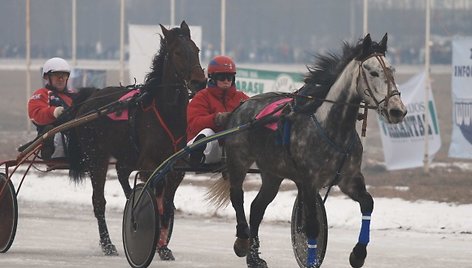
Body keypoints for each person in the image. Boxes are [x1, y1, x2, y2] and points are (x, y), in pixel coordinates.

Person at [186, 55, 249, 165]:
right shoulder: (201, 97)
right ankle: (197, 158)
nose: (226, 81)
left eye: (229, 77)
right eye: (222, 77)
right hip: (210, 150)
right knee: (207, 133)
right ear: (213, 78)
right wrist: (216, 119)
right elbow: (194, 124)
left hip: (232, 150)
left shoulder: (242, 98)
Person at [28, 57, 74, 160]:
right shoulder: (41, 94)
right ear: (47, 77)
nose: (61, 79)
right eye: (57, 76)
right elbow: (36, 115)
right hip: (53, 140)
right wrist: (54, 112)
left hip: (75, 134)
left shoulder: (74, 95)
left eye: (64, 76)